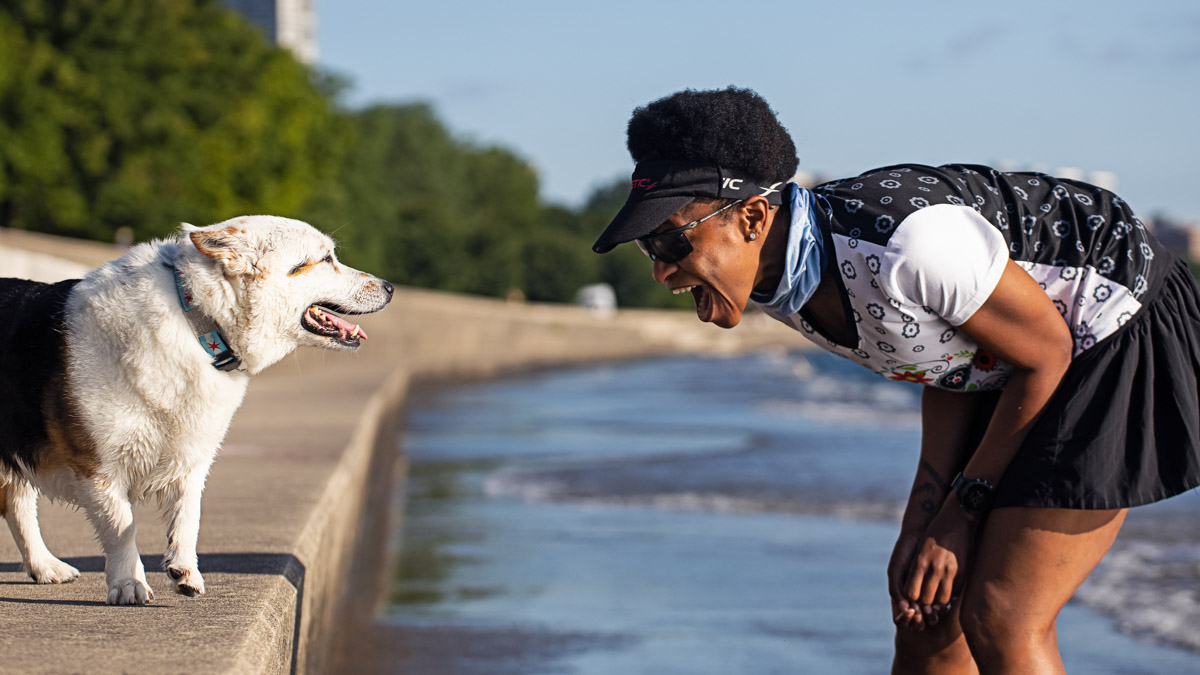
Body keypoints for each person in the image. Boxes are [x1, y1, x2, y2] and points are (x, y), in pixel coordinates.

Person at [591, 86, 1200, 675]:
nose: (662, 270)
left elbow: (1046, 352)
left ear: (752, 216)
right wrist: (922, 522)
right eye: (650, 247)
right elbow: (950, 364)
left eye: (673, 240)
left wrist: (959, 515)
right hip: (1023, 360)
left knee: (1002, 617)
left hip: (1114, 326)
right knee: (927, 622)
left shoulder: (907, 244)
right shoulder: (780, 278)